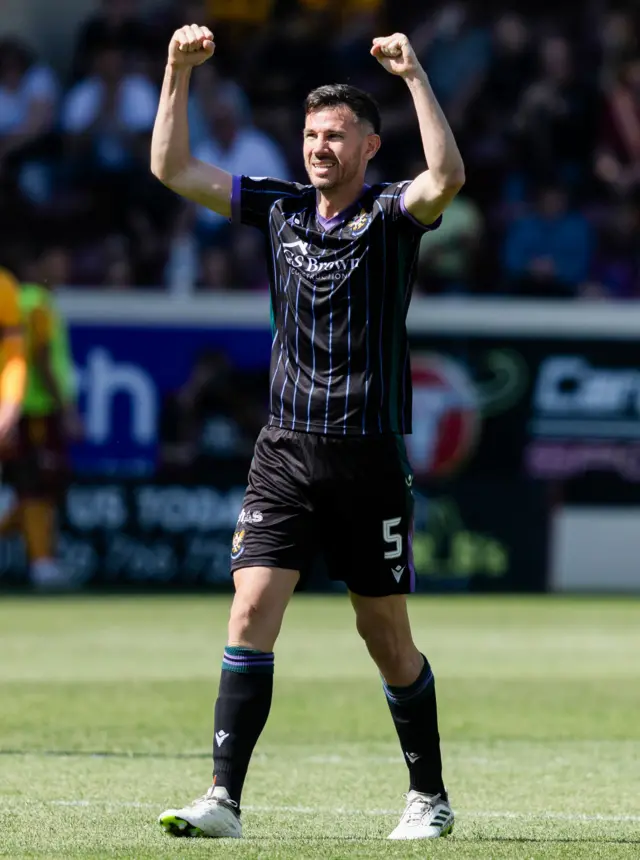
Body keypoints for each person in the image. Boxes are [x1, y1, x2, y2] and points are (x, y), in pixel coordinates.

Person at [151, 22, 464, 841]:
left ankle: (428, 797)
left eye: (336, 137)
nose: (319, 148)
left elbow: (448, 175)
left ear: (369, 147)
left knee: (385, 636)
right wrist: (177, 71)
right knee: (250, 609)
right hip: (285, 452)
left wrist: (415, 74)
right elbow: (172, 168)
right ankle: (223, 798)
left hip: (368, 460)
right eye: (311, 135)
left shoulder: (395, 214)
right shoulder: (281, 209)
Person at [0, 248, 80, 589]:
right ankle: (42, 563)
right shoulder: (34, 304)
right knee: (36, 487)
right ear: (37, 264)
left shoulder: (23, 299)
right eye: (58, 259)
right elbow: (43, 359)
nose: (65, 265)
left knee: (31, 487)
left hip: (23, 406)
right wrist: (65, 408)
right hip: (33, 408)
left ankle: (42, 559)